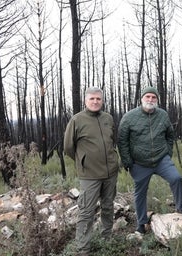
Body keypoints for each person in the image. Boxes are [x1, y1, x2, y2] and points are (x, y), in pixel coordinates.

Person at [117, 86, 182, 235]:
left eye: (153, 97)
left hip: (161, 159)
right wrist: (127, 162)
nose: (150, 100)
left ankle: (181, 208)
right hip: (139, 163)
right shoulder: (129, 117)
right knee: (140, 193)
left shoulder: (162, 115)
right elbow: (122, 141)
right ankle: (141, 223)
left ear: (157, 99)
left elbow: (170, 135)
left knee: (176, 178)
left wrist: (168, 152)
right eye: (147, 97)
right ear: (141, 99)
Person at [64, 87, 119, 255]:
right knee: (86, 211)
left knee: (108, 206)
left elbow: (112, 141)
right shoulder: (77, 120)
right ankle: (83, 248)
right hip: (90, 175)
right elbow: (68, 147)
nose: (95, 102)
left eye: (98, 99)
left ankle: (106, 238)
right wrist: (83, 161)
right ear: (86, 101)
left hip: (110, 173)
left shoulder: (108, 118)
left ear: (102, 101)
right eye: (92, 99)